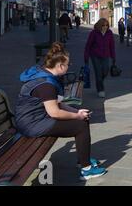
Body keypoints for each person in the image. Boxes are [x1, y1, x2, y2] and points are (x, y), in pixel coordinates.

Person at [15, 42, 107, 181]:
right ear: (59, 66)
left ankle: (83, 160)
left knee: (83, 119)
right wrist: (76, 116)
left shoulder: (45, 75)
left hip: (36, 118)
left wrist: (77, 112)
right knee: (80, 126)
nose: (69, 66)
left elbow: (58, 103)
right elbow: (55, 113)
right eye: (68, 64)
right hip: (31, 123)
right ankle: (87, 169)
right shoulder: (46, 85)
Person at [84, 18, 116, 98]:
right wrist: (86, 58)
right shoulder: (94, 33)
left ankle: (99, 81)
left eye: (106, 25)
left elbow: (112, 45)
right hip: (95, 55)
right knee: (98, 73)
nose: (105, 27)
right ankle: (100, 90)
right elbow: (88, 45)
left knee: (105, 71)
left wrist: (113, 57)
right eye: (103, 25)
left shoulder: (109, 33)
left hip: (106, 55)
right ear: (99, 25)